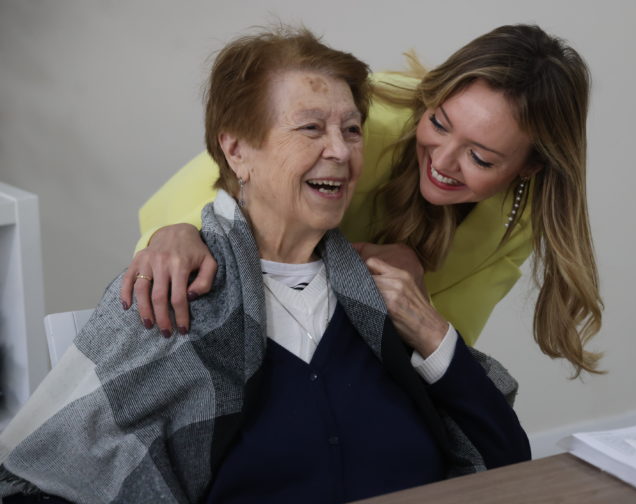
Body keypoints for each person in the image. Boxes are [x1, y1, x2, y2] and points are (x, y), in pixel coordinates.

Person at [0, 28, 529, 503]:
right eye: (310, 129)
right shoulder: (174, 298)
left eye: (351, 130)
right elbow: (35, 484)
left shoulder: (382, 301)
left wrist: (437, 337)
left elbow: (507, 462)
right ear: (236, 150)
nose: (341, 152)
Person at [123, 24, 604, 376]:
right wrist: (179, 232)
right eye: (438, 123)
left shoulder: (517, 220)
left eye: (480, 157)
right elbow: (236, 160)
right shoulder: (360, 122)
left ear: (529, 168)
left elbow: (436, 348)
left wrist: (416, 288)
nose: (443, 160)